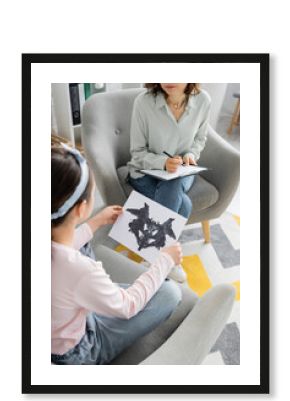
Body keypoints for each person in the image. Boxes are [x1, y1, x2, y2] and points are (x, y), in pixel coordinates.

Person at [51, 144, 182, 365]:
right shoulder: (80, 270)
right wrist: (165, 260)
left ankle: (100, 297)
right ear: (81, 208)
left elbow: (62, 248)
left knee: (82, 245)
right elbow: (127, 306)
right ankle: (103, 300)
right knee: (171, 292)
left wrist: (94, 223)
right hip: (75, 353)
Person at [127, 83, 211, 283]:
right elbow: (137, 152)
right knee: (184, 204)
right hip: (145, 170)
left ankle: (155, 258)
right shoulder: (144, 103)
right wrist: (162, 162)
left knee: (174, 183)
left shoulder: (203, 100)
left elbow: (200, 138)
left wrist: (191, 154)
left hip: (183, 170)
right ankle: (167, 258)